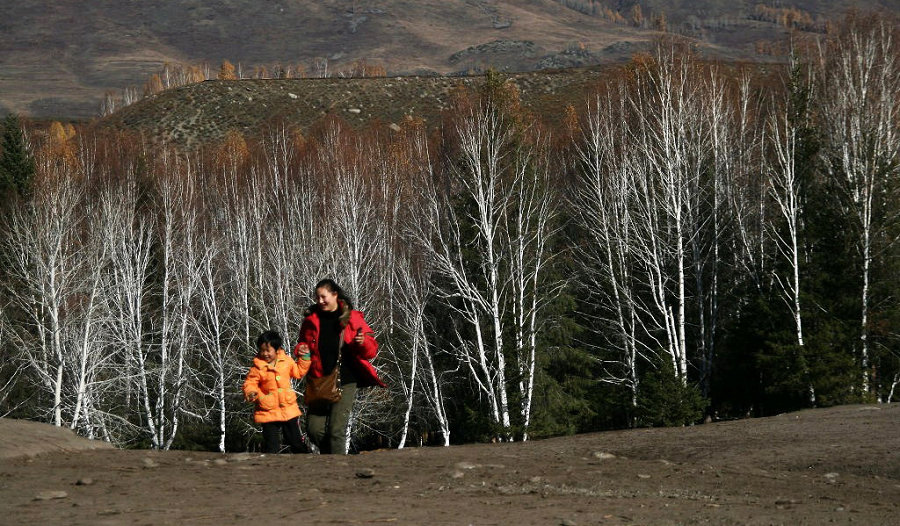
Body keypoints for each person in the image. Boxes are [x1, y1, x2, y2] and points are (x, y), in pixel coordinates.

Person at [294, 279, 385, 454]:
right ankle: (332, 457)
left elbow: (372, 350)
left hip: (345, 379)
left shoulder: (352, 318)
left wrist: (362, 342)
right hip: (319, 380)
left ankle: (338, 467)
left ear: (335, 295)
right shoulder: (311, 320)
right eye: (317, 297)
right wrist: (301, 349)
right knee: (313, 429)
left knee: (336, 431)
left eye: (323, 297)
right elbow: (302, 343)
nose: (320, 301)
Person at [243, 330, 311, 454]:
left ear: (277, 349)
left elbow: (298, 372)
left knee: (295, 440)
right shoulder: (257, 368)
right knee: (271, 444)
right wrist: (251, 392)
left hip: (287, 408)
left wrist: (305, 358)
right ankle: (271, 464)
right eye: (262, 350)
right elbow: (250, 383)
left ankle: (305, 459)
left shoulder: (286, 361)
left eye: (268, 350)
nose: (265, 354)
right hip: (267, 409)